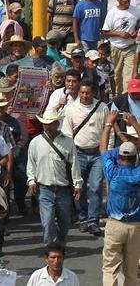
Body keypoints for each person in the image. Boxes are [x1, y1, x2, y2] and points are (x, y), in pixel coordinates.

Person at [27, 110, 83, 246]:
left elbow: (75, 164)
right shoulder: (35, 142)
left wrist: (78, 184)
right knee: (47, 222)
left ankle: (60, 241)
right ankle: (50, 249)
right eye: (45, 124)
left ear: (57, 123)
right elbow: (31, 164)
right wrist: (31, 180)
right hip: (44, 189)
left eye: (51, 124)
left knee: (65, 222)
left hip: (63, 189)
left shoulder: (68, 142)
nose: (48, 127)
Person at [60, 79, 109, 236]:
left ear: (93, 92)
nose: (85, 95)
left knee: (95, 188)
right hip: (78, 153)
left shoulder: (102, 108)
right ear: (79, 92)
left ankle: (93, 221)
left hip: (97, 154)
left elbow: (108, 131)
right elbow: (67, 133)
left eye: (88, 92)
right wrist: (70, 154)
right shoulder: (71, 109)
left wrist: (106, 151)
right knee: (78, 188)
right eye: (82, 92)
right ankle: (83, 218)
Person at [99, 111, 140, 286]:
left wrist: (109, 124)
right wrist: (135, 123)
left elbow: (102, 149)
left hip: (115, 224)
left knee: (110, 268)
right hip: (135, 227)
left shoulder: (113, 172)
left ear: (120, 156)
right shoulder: (138, 173)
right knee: (131, 271)